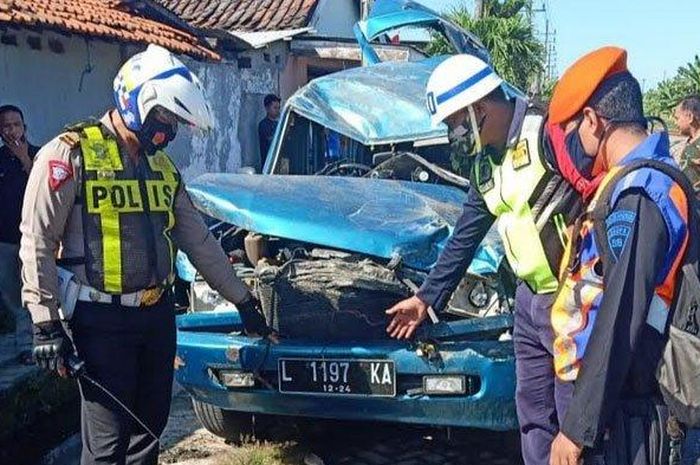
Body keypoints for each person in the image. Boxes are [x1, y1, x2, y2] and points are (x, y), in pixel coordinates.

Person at [20, 45, 274, 465]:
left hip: (156, 317)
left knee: (148, 433)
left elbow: (200, 242)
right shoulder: (70, 154)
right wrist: (45, 323)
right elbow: (38, 240)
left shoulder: (163, 169)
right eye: (164, 119)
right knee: (107, 443)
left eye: (175, 123)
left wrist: (242, 299)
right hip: (100, 318)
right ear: (134, 102)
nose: (168, 133)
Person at [385, 54, 586, 465]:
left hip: (572, 302)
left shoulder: (547, 131)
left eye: (454, 122)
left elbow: (594, 193)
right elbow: (465, 236)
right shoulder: (486, 165)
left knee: (575, 420)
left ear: (478, 109)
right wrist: (427, 298)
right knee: (532, 412)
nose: (452, 133)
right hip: (530, 305)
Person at [546, 46, 691, 465]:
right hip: (628, 400)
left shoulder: (641, 192)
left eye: (573, 132)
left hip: (641, 409)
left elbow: (621, 310)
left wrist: (575, 429)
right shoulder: (642, 178)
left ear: (594, 121)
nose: (572, 146)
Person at [0, 104, 38, 364]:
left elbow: (44, 189)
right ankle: (24, 344)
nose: (13, 129)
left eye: (17, 124)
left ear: (25, 127)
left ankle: (37, 342)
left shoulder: (39, 155)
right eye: (7, 126)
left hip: (35, 239)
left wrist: (25, 158)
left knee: (35, 291)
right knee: (13, 295)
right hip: (6, 241)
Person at [674, 95, 700, 190]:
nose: (675, 123)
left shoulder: (696, 147)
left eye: (677, 118)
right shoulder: (689, 142)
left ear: (690, 117)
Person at [258, 93, 281, 169]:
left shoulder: (279, 124)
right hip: (268, 165)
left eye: (278, 108)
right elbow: (271, 141)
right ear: (267, 108)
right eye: (275, 108)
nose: (277, 110)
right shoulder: (263, 125)